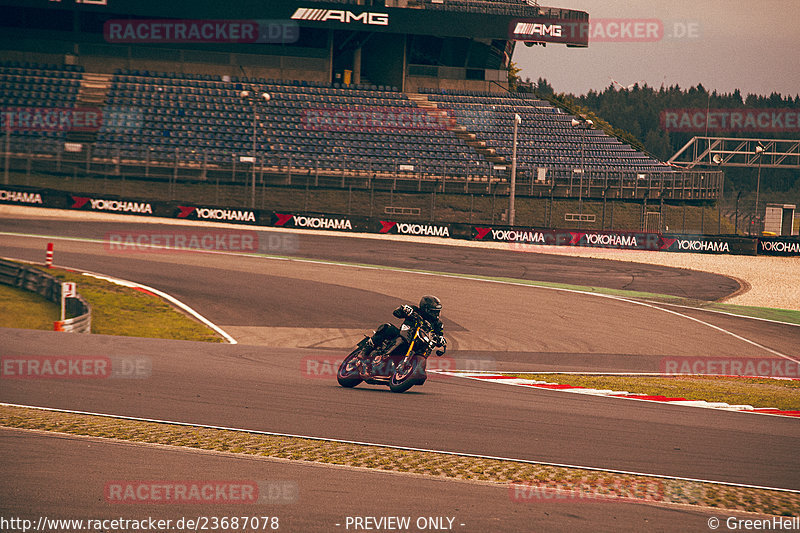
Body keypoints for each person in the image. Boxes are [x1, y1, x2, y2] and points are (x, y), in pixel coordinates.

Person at [359, 295, 446, 360]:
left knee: (426, 349)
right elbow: (396, 313)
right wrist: (404, 310)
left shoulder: (438, 323)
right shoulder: (415, 310)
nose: (436, 314)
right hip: (403, 335)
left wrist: (441, 340)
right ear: (425, 308)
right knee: (387, 327)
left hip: (418, 343)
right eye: (433, 311)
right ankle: (365, 351)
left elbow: (439, 335)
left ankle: (413, 368)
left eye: (437, 312)